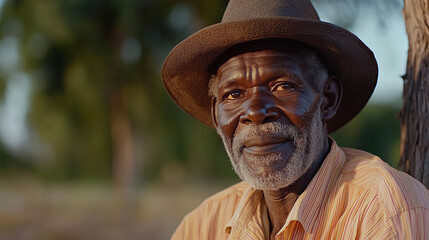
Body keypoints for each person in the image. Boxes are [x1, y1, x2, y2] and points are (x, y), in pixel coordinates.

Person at [162, 0, 429, 239]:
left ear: (327, 99)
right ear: (216, 116)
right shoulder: (204, 226)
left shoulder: (384, 212)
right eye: (234, 94)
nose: (255, 112)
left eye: (283, 86)